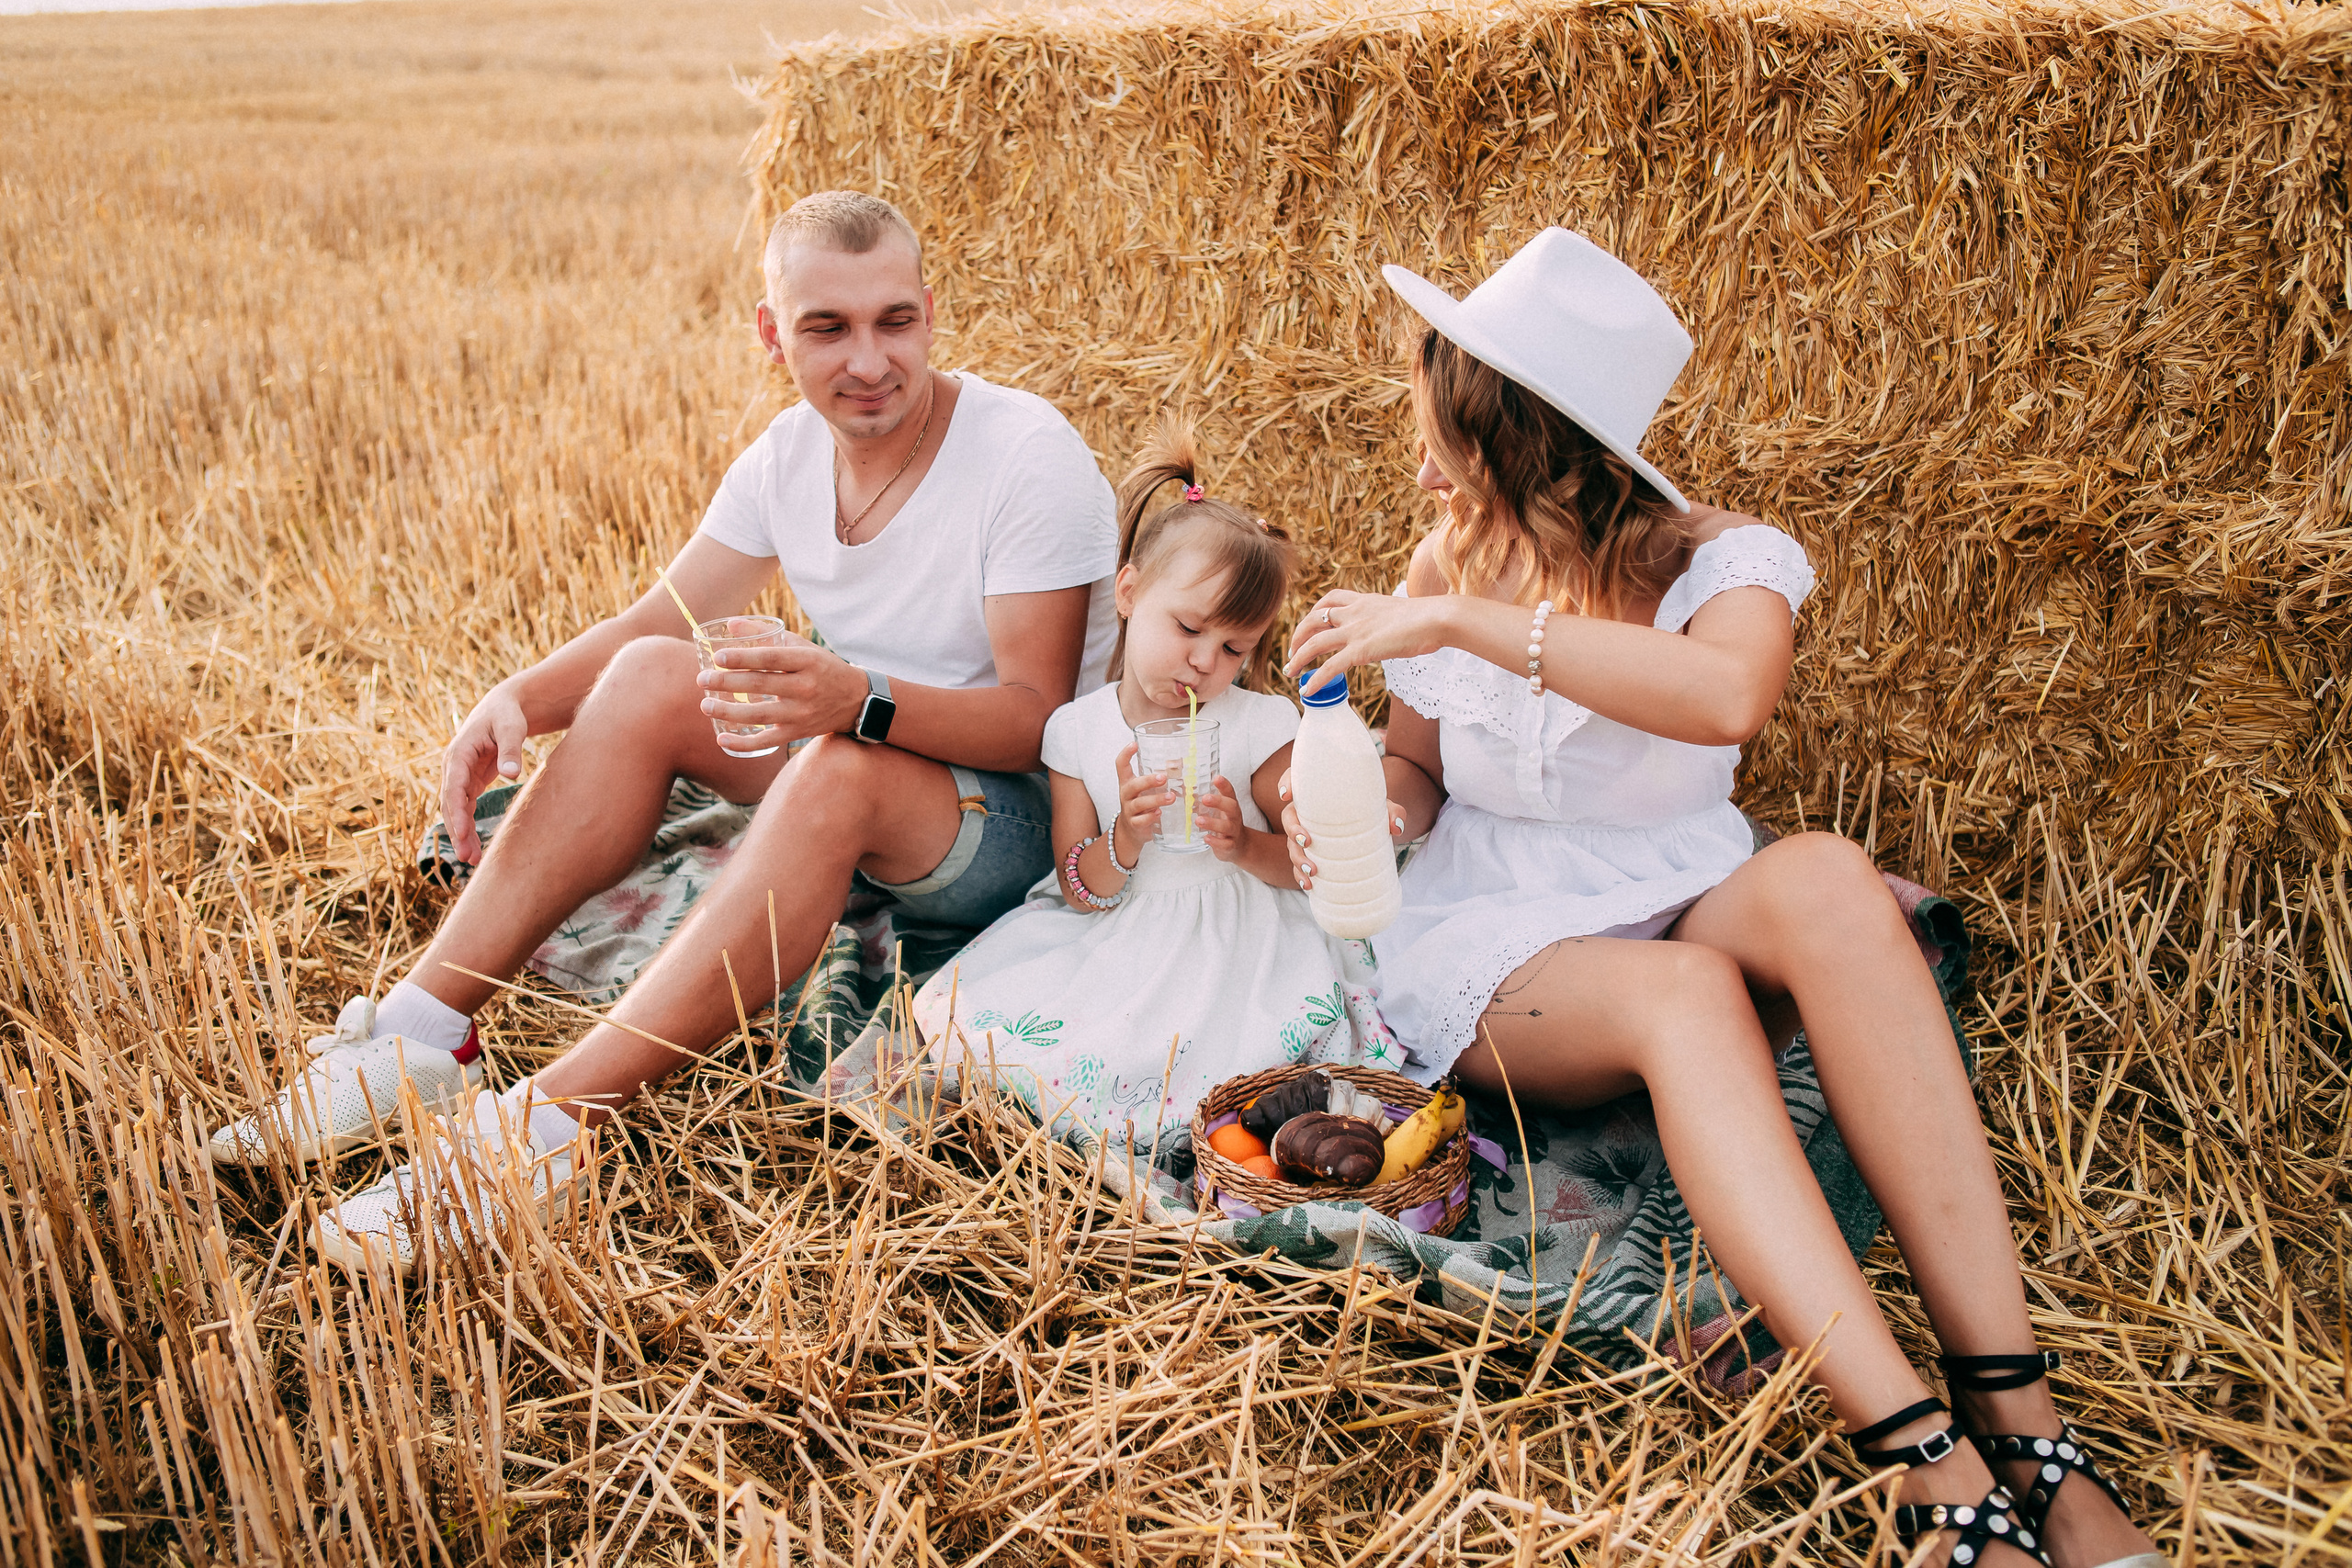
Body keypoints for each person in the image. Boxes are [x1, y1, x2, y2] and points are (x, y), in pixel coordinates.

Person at [1279, 230, 2164, 1568]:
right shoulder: (1441, 562)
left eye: (1443, 439)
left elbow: (1726, 698)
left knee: (1827, 876)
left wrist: (1464, 625)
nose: (1424, 472)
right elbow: (1418, 775)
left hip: (1673, 884)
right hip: (1496, 936)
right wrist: (1355, 811)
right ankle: (1921, 1454)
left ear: (1518, 439)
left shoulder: (1728, 558)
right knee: (1686, 993)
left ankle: (2022, 1418)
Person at [204, 191, 1121, 1277]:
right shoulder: (787, 457)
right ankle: (423, 1030)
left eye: (894, 321)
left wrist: (853, 701)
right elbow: (658, 621)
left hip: (1022, 820)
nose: (870, 361)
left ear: (930, 311)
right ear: (772, 334)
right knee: (648, 676)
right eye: (827, 328)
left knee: (837, 771)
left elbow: (1033, 720)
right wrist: (515, 700)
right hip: (865, 745)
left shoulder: (1023, 455)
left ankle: (545, 1130)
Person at [911, 423, 1397, 1148]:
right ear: (1129, 592)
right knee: (1072, 1039)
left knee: (1235, 1046)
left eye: (1232, 648)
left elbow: (1304, 862)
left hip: (1242, 934)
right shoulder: (1077, 732)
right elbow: (1080, 887)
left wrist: (1243, 844)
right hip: (1126, 934)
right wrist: (1126, 838)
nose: (1204, 661)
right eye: (1188, 627)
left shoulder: (1259, 723)